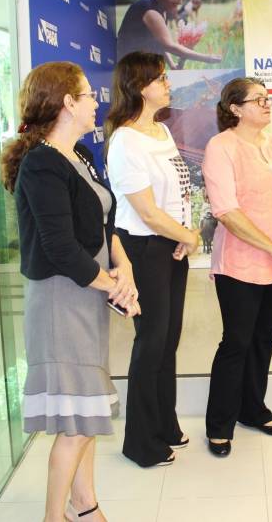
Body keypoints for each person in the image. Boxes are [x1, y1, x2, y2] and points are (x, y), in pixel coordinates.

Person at [0, 61, 140, 522]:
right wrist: (113, 287)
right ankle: (54, 517)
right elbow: (60, 248)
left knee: (85, 416)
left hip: (86, 294)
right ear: (67, 103)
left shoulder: (78, 155)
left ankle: (86, 506)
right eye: (87, 95)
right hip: (63, 300)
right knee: (76, 426)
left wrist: (124, 269)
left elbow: (103, 227)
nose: (95, 102)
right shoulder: (42, 163)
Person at [201, 77, 272, 457]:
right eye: (258, 99)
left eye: (268, 98)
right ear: (235, 108)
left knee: (264, 340)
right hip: (240, 265)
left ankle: (253, 410)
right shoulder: (221, 147)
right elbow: (226, 211)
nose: (267, 104)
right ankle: (219, 424)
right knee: (237, 342)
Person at [105, 51, 200, 468]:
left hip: (170, 246)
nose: (168, 84)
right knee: (151, 342)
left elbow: (176, 193)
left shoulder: (161, 131)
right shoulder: (125, 139)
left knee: (168, 341)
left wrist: (183, 236)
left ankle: (165, 424)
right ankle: (140, 442)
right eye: (161, 78)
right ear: (140, 86)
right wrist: (188, 236)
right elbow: (144, 211)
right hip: (143, 249)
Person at [117, 0, 222, 68]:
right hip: (129, 66)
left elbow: (160, 42)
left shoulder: (161, 9)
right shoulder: (151, 11)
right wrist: (207, 58)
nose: (180, 2)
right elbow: (169, 45)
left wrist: (172, 65)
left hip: (140, 63)